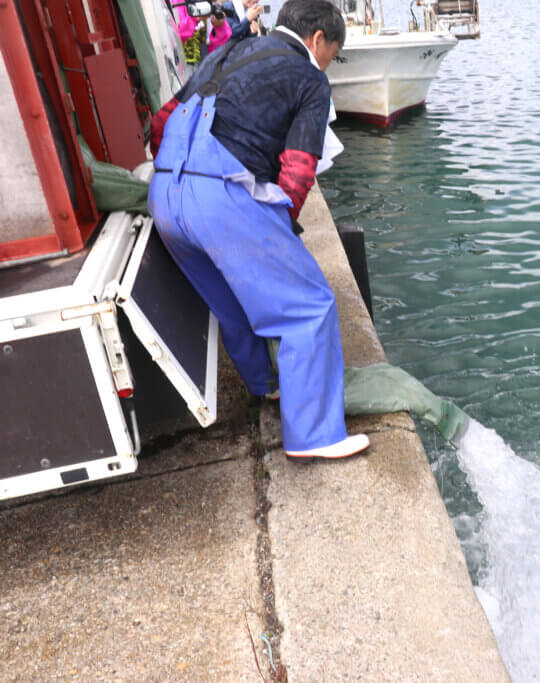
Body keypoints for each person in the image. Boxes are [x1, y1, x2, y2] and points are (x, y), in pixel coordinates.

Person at [148, 0, 369, 460]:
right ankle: (314, 436)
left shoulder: (227, 51)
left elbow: (163, 118)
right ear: (318, 40)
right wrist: (280, 228)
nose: (329, 61)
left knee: (230, 303)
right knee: (309, 306)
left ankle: (267, 387)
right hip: (221, 197)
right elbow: (298, 170)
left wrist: (177, 176)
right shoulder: (310, 79)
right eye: (334, 52)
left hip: (166, 190)